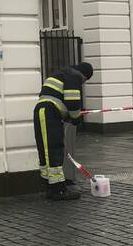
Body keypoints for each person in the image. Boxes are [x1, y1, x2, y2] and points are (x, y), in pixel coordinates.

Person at [34, 63, 93, 200]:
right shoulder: (74, 77)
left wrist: (65, 115)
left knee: (46, 149)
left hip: (45, 111)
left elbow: (56, 97)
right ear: (84, 75)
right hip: (49, 113)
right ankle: (58, 190)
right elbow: (72, 101)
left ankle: (50, 185)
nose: (82, 83)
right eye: (85, 80)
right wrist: (76, 118)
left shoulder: (63, 73)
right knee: (53, 148)